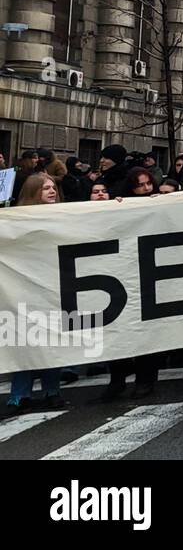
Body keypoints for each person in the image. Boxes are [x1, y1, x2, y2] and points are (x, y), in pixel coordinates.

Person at [6, 175, 68, 414]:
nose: (52, 191)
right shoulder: (15, 219)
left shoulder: (68, 215)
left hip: (53, 286)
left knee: (51, 341)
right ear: (33, 192)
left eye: (54, 187)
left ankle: (52, 391)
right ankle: (19, 395)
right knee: (24, 341)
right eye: (46, 188)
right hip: (22, 288)